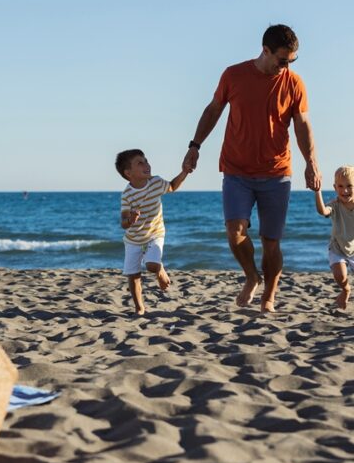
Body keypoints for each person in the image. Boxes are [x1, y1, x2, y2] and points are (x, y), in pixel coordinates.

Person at [183, 24, 322, 313]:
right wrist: (195, 146)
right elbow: (213, 110)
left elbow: (303, 126)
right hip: (237, 171)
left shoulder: (294, 83)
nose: (286, 67)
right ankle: (251, 276)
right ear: (265, 50)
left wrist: (312, 163)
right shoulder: (233, 75)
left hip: (277, 173)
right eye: (282, 60)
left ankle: (269, 297)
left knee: (271, 243)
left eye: (291, 62)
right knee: (235, 232)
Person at [115, 149, 188, 315]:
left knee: (152, 265)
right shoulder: (127, 195)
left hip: (155, 233)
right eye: (140, 163)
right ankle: (139, 308)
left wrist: (184, 172)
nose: (146, 164)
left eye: (146, 160)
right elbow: (124, 222)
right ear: (128, 173)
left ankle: (160, 269)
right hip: (133, 239)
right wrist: (131, 220)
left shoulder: (156, 182)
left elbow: (172, 186)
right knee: (133, 276)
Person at [314, 166, 354, 310]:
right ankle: (346, 289)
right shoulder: (335, 205)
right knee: (340, 276)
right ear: (335, 188)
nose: (345, 190)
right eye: (341, 186)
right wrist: (317, 191)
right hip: (337, 248)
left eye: (350, 186)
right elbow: (323, 211)